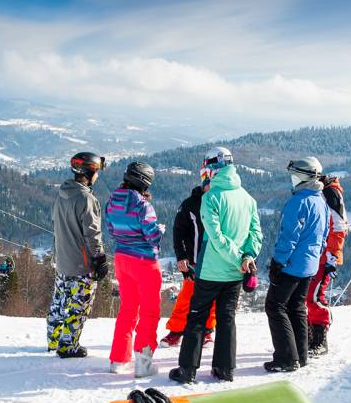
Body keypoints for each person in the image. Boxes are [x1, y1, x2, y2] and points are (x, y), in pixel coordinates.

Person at [171, 147, 262, 384]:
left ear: (211, 170)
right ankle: (225, 369)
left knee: (197, 317)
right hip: (235, 273)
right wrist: (246, 257)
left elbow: (215, 237)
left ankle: (187, 370)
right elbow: (255, 234)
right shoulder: (247, 198)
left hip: (211, 270)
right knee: (226, 319)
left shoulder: (210, 198)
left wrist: (237, 258)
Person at [264, 157, 329, 372]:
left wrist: (278, 262)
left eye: (294, 176)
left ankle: (286, 358)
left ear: (303, 177)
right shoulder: (320, 201)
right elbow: (324, 234)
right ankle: (301, 355)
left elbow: (289, 236)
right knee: (297, 307)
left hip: (292, 265)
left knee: (275, 306)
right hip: (309, 265)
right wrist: (315, 256)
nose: (292, 180)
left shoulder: (299, 202)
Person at [105, 162, 165, 377]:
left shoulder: (113, 201)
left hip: (122, 259)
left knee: (128, 309)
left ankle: (118, 359)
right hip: (144, 262)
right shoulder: (142, 205)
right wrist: (160, 231)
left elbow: (111, 230)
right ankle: (143, 363)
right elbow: (152, 236)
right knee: (149, 310)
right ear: (145, 182)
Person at [47, 151, 108, 358]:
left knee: (59, 302)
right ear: (89, 172)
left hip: (63, 261)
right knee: (78, 306)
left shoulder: (62, 194)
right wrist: (99, 259)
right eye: (97, 172)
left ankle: (54, 340)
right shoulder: (86, 199)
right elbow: (92, 234)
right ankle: (68, 346)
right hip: (81, 265)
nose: (97, 176)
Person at [161, 171, 216, 349]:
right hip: (195, 261)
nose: (213, 186)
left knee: (213, 299)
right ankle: (176, 331)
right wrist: (181, 256)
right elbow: (178, 232)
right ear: (204, 183)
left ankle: (207, 331)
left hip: (218, 261)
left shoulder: (222, 201)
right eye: (210, 183)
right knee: (186, 298)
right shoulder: (190, 204)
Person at [306, 173, 348, 356]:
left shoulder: (331, 193)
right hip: (314, 255)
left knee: (314, 296)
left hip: (325, 256)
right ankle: (309, 336)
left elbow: (339, 226)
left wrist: (332, 256)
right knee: (307, 295)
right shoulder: (322, 192)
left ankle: (319, 339)